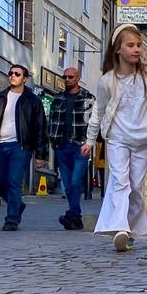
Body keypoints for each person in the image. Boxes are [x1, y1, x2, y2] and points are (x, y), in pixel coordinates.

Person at [83, 24, 147, 252]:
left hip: (143, 138)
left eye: (139, 45)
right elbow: (98, 111)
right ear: (117, 49)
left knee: (135, 186)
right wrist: (90, 140)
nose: (136, 50)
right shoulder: (107, 81)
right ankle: (119, 228)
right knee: (120, 181)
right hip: (117, 138)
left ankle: (129, 230)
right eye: (130, 45)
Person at [0, 65, 48, 231]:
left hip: (21, 146)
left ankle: (12, 219)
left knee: (13, 181)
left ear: (24, 78)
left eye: (17, 74)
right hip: (0, 146)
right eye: (10, 73)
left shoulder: (32, 101)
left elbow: (40, 128)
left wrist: (40, 154)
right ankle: (17, 205)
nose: (12, 76)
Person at [49, 65, 94, 230]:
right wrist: (53, 141)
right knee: (67, 184)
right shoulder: (58, 98)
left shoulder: (88, 98)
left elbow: (94, 123)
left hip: (79, 146)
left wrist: (89, 142)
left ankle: (74, 216)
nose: (67, 80)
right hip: (61, 145)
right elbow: (52, 122)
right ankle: (74, 217)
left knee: (75, 181)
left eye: (71, 77)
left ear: (78, 78)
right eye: (65, 77)